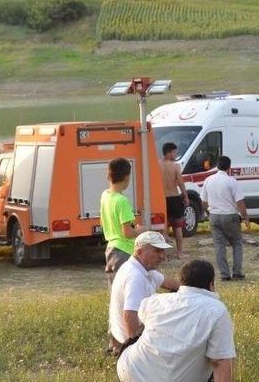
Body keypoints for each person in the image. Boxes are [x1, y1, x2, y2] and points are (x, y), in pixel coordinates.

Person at [117, 259, 237, 382]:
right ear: (211, 284)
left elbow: (137, 317)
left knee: (144, 328)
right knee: (220, 351)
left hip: (132, 371)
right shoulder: (216, 310)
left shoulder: (155, 300)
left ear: (182, 282)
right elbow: (221, 362)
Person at [108, 231, 179, 355]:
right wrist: (133, 350)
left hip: (124, 335)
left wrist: (194, 289)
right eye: (157, 251)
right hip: (128, 339)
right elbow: (129, 315)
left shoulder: (142, 268)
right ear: (140, 252)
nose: (163, 256)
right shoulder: (134, 277)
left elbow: (169, 283)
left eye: (163, 251)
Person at [201, 156, 251, 281]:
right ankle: (237, 272)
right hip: (230, 216)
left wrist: (209, 213)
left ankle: (224, 274)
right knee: (237, 243)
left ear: (217, 166)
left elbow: (203, 201)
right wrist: (245, 218)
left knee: (219, 246)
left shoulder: (208, 180)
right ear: (229, 167)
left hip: (214, 216)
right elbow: (240, 202)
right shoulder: (231, 181)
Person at [101, 158, 146, 286]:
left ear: (108, 176)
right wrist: (139, 230)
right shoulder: (122, 201)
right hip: (123, 250)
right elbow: (127, 233)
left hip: (111, 247)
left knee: (115, 288)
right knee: (126, 288)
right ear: (127, 178)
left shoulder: (105, 195)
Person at [161, 142, 189, 258]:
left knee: (163, 228)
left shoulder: (157, 164)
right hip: (174, 198)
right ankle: (179, 252)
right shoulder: (176, 166)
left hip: (161, 199)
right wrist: (186, 196)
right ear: (169, 152)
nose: (175, 154)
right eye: (174, 152)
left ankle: (164, 255)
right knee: (177, 227)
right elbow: (181, 182)